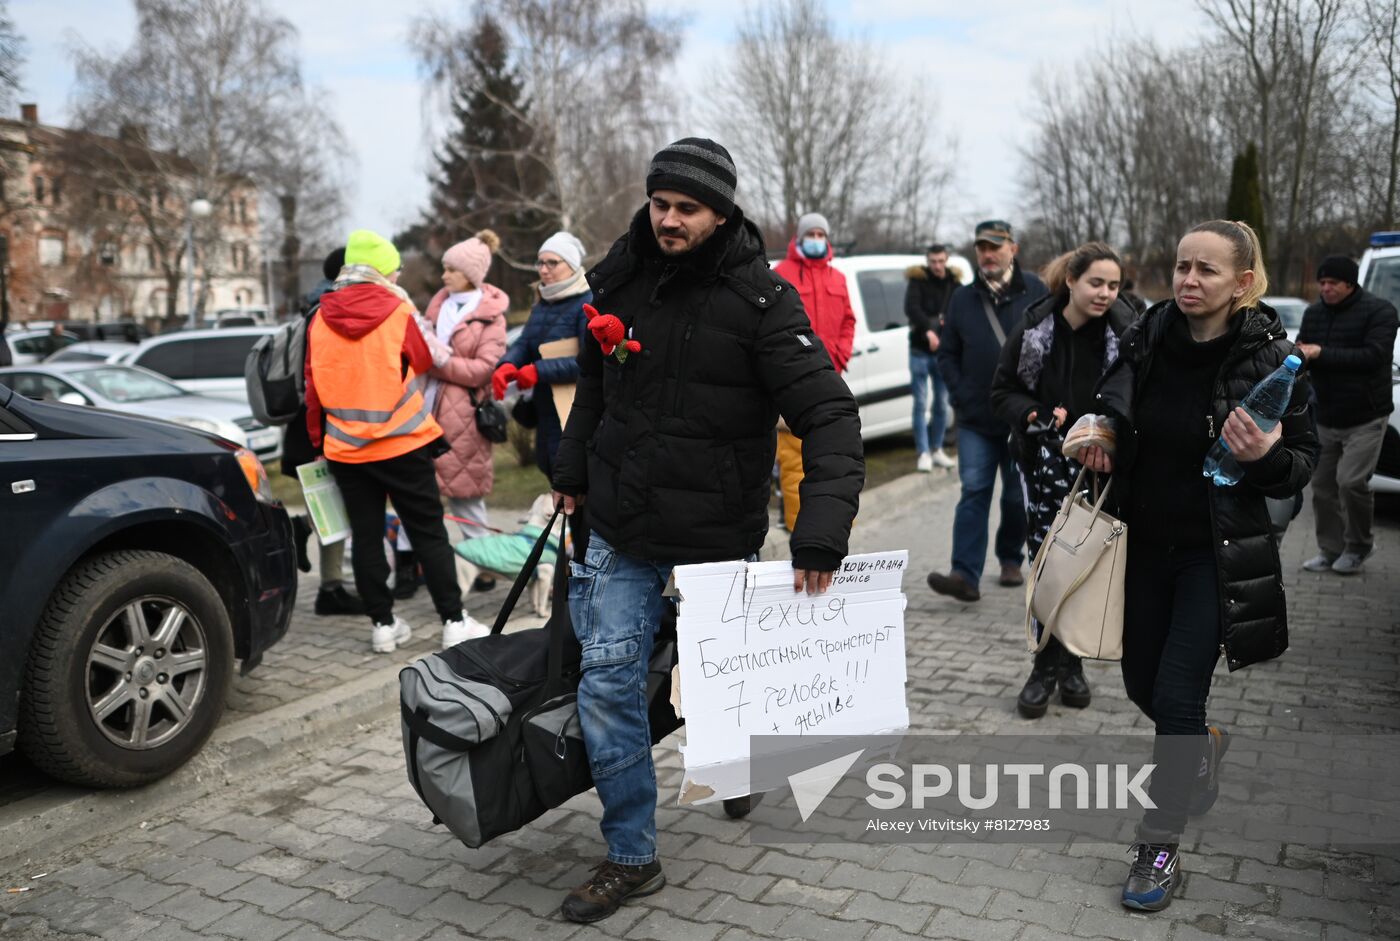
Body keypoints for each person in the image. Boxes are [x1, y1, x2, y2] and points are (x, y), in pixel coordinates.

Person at [549, 138, 864, 924]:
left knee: (725, 686)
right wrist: (570, 474)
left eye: (686, 208)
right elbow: (595, 383)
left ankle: (740, 757)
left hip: (718, 530)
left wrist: (819, 531)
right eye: (660, 203)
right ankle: (632, 854)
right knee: (608, 678)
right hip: (622, 520)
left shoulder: (763, 302)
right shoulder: (619, 275)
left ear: (721, 213)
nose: (669, 219)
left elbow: (828, 414)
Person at [1086, 220, 1316, 911]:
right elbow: (1116, 400)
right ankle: (1203, 745)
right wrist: (1098, 430)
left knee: (1178, 698)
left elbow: (1301, 466)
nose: (1188, 280)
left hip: (1213, 558)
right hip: (1142, 544)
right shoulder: (1149, 333)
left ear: (1242, 283)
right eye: (1182, 266)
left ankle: (1158, 846)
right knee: (1140, 684)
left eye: (1206, 270)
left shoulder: (1270, 358)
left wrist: (1263, 458)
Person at [304, 229, 478, 653]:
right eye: (395, 268)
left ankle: (382, 625)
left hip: (345, 448)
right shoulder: (396, 311)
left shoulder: (319, 317)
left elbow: (312, 388)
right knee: (428, 534)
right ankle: (453, 621)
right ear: (384, 270)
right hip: (403, 443)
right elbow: (421, 358)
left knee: (365, 538)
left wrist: (318, 441)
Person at [990, 241, 1134, 719]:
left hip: (1103, 469)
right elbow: (1003, 390)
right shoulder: (1035, 329)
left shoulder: (1127, 333)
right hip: (1044, 462)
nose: (1106, 294)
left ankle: (1070, 665)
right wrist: (1031, 413)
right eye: (1096, 283)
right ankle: (1043, 667)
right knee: (1048, 563)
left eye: (1113, 285)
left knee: (1087, 564)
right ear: (1071, 280)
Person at [926, 220, 1046, 603]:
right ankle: (964, 573)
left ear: (1013, 248)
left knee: (1014, 496)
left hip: (1020, 418)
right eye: (982, 247)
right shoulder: (963, 298)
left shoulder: (1036, 291)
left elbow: (1053, 346)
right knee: (974, 490)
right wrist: (961, 395)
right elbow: (946, 353)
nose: (988, 254)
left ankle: (1010, 557)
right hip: (976, 418)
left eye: (996, 246)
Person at [413, 230, 509, 602]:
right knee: (424, 491)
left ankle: (483, 565)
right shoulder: (437, 307)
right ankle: (425, 564)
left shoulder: (490, 317)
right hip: (428, 408)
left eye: (451, 269)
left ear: (470, 272)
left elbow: (483, 369)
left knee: (465, 492)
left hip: (465, 414)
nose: (444, 276)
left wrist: (439, 361)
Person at [1294, 255, 1399, 575]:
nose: (1325, 288)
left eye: (1332, 283)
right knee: (1322, 486)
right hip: (1326, 415)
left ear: (1350, 284)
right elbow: (1303, 351)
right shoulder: (1314, 314)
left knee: (1351, 481)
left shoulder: (1381, 311)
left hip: (1366, 416)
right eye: (1322, 283)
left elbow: (1374, 356)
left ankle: (1359, 546)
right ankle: (1330, 549)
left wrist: (1321, 353)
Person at [281, 246, 364, 617]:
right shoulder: (329, 312)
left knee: (334, 505)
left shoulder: (314, 307)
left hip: (308, 427)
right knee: (335, 504)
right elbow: (323, 379)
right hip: (320, 428)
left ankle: (331, 588)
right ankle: (297, 531)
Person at [772, 211, 856, 531]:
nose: (817, 240)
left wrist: (839, 355)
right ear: (800, 237)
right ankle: (798, 535)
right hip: (792, 384)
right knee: (794, 464)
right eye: (812, 234)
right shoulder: (781, 274)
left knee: (832, 461)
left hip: (830, 380)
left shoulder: (838, 278)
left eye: (822, 235)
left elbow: (848, 321)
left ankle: (830, 534)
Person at [493, 231, 592, 480]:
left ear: (571, 265)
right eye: (540, 262)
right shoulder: (542, 304)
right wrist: (506, 364)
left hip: (575, 411)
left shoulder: (588, 303)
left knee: (572, 482)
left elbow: (589, 363)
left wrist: (538, 371)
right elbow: (525, 343)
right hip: (545, 409)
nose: (544, 270)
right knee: (550, 468)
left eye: (552, 262)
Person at [905, 243, 959, 471]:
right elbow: (911, 308)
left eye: (940, 261)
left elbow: (960, 313)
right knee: (920, 402)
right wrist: (928, 328)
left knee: (942, 403)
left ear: (946, 260)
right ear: (927, 261)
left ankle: (937, 448)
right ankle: (923, 452)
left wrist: (947, 327)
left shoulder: (954, 284)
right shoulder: (918, 281)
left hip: (943, 353)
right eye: (933, 261)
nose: (937, 265)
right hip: (919, 350)